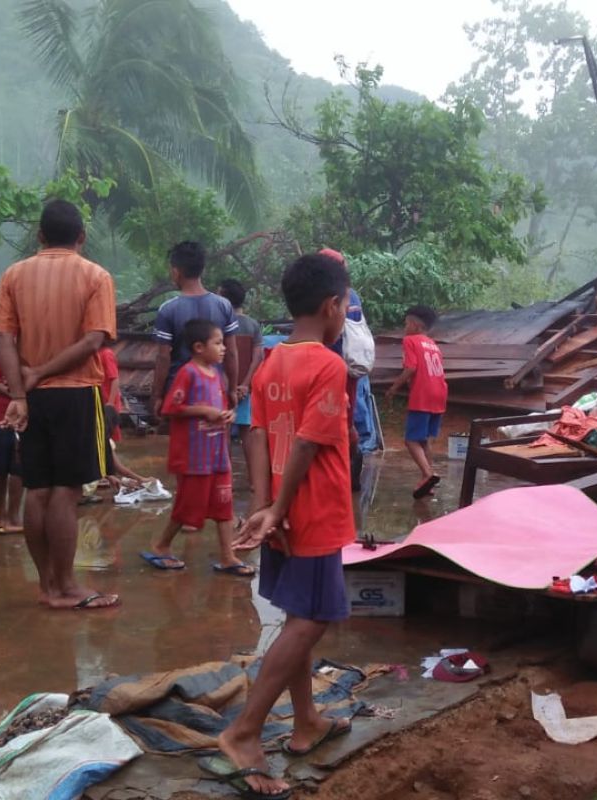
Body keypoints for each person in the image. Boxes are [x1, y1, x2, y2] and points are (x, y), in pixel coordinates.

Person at [201, 253, 355, 800]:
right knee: (312, 620)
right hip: (314, 512)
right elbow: (311, 443)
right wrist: (283, 504)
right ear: (333, 306)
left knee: (297, 615)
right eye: (346, 305)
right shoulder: (329, 366)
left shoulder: (271, 360)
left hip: (282, 514)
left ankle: (306, 721)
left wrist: (266, 506)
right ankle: (243, 731)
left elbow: (258, 435)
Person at [0, 199, 119, 611]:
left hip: (32, 395)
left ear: (41, 236)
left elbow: (6, 341)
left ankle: (48, 583)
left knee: (37, 490)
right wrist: (43, 373)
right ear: (81, 237)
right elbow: (92, 342)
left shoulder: (14, 275)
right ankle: (66, 587)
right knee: (65, 492)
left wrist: (20, 390)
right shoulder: (95, 275)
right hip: (75, 391)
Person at [142, 320, 251, 576]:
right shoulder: (188, 373)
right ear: (199, 347)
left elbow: (219, 407)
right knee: (187, 506)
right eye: (218, 343)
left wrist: (226, 415)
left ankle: (227, 556)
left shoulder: (218, 374)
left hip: (217, 454)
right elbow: (170, 408)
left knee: (225, 505)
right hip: (194, 456)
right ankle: (161, 544)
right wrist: (204, 411)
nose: (224, 348)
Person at [151, 241, 238, 417]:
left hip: (180, 394)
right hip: (215, 389)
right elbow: (231, 353)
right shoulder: (224, 306)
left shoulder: (168, 309)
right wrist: (233, 389)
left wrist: (157, 395)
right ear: (202, 270)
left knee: (184, 440)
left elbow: (163, 357)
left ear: (176, 272)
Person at [386, 305, 448, 499]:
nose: (404, 328)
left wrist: (394, 387)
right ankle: (426, 482)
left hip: (423, 394)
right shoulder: (433, 345)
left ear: (414, 325)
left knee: (411, 440)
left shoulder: (410, 340)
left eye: (406, 324)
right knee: (425, 440)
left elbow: (411, 368)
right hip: (440, 393)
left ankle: (429, 473)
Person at [318, 248, 365, 491]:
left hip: (331, 365)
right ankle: (351, 464)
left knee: (332, 417)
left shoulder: (331, 296)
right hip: (350, 365)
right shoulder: (353, 295)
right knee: (344, 419)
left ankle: (342, 466)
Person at [218, 278, 263, 443]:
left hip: (223, 388)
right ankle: (254, 470)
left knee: (224, 431)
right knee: (247, 430)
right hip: (245, 391)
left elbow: (220, 356)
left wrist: (229, 384)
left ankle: (226, 469)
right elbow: (258, 358)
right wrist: (245, 385)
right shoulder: (253, 325)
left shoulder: (220, 325)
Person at [0, 333, 24, 534]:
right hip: (1, 412)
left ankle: (8, 515)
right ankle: (2, 513)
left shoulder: (25, 338)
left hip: (18, 412)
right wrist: (16, 390)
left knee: (16, 467)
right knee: (1, 467)